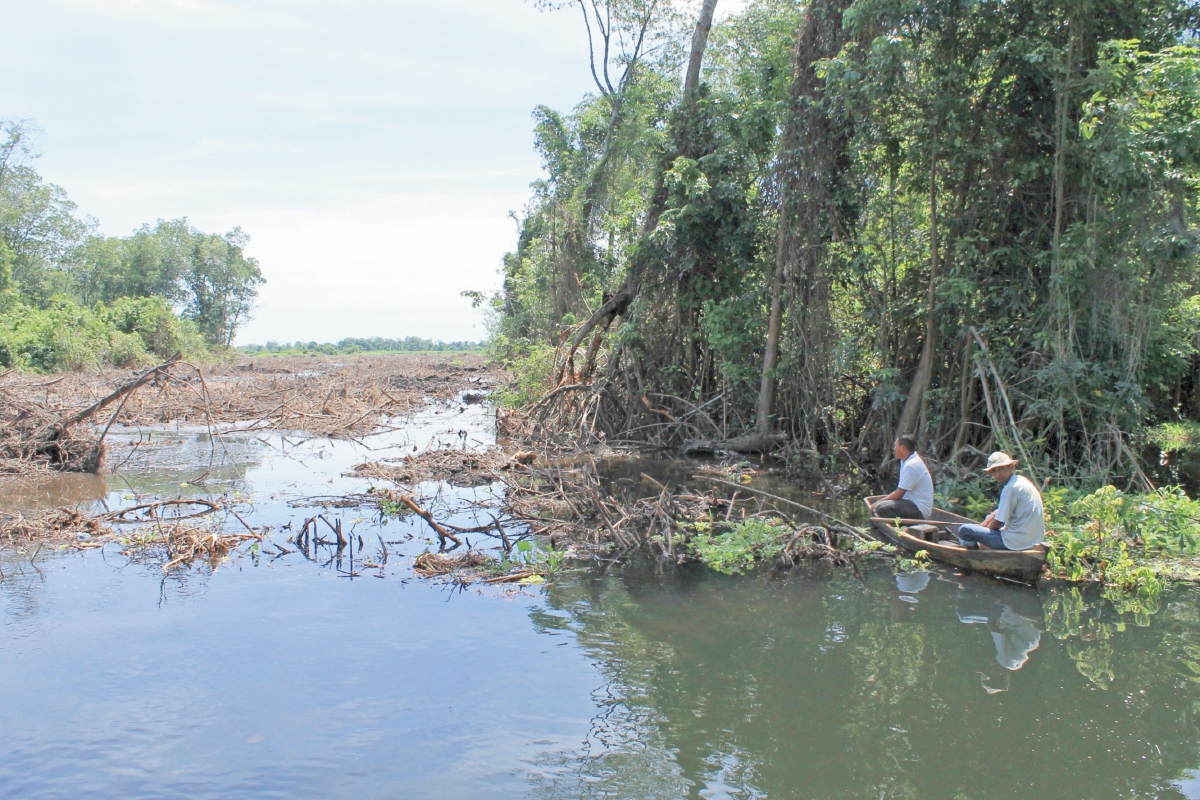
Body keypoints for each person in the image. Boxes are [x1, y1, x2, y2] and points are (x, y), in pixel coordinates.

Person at [956, 452, 1045, 551]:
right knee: (988, 517)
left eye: (1001, 469)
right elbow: (997, 513)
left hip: (1016, 542)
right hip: (1033, 540)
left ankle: (976, 554)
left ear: (1010, 467)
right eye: (994, 471)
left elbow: (997, 522)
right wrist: (981, 527)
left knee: (964, 530)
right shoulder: (1021, 481)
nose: (998, 475)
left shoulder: (1010, 488)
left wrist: (980, 537)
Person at [872, 434, 934, 520]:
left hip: (919, 509)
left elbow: (899, 494)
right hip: (911, 503)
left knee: (880, 508)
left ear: (902, 448)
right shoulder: (906, 460)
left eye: (895, 446)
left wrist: (876, 504)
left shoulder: (911, 465)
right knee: (882, 504)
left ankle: (900, 527)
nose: (894, 449)